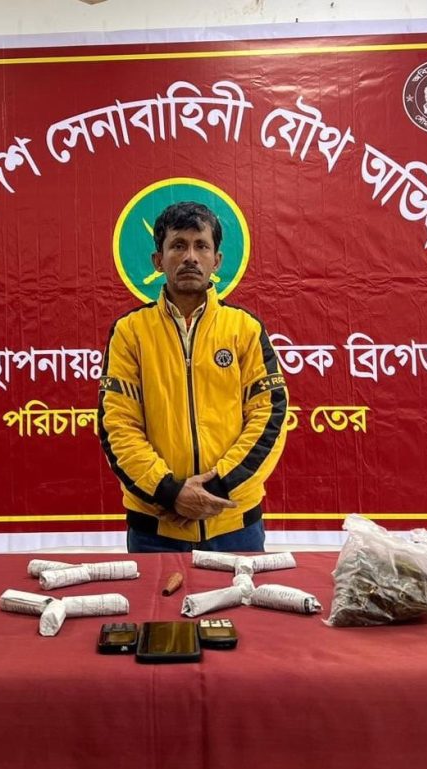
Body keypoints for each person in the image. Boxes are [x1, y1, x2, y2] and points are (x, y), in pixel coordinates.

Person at [98, 201, 288, 553]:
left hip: (234, 523)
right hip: (155, 528)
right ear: (158, 260)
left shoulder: (244, 329)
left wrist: (213, 490)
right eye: (178, 246)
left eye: (201, 246)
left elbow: (270, 417)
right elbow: (117, 426)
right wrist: (170, 492)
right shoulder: (130, 332)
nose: (190, 257)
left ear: (217, 260)